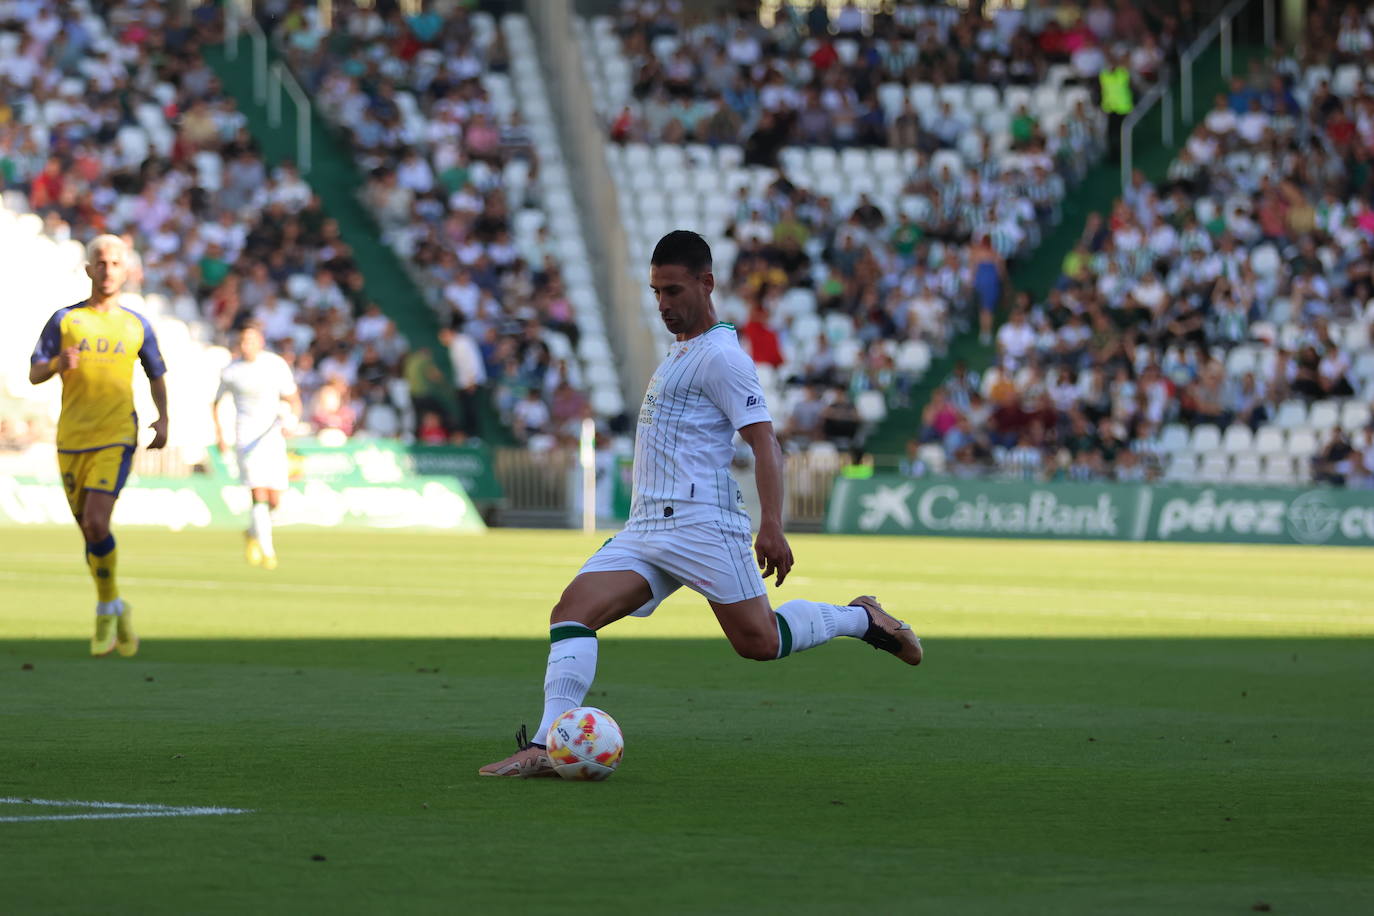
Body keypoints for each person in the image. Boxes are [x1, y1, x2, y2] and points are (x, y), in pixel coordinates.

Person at [479, 231, 922, 778]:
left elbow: (765, 441)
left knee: (759, 642)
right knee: (571, 614)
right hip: (646, 528)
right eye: (656, 292)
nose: (663, 304)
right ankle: (548, 745)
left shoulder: (722, 357)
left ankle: (861, 619)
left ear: (706, 283)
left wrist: (773, 526)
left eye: (673, 290)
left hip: (701, 525)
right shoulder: (683, 351)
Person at [28, 235, 168, 657]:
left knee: (95, 521)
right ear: (88, 269)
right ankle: (116, 604)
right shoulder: (65, 320)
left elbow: (156, 373)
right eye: (100, 263)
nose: (108, 270)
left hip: (116, 435)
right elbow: (34, 372)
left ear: (127, 271)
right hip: (72, 439)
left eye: (115, 263)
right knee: (91, 535)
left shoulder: (136, 324)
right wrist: (56, 364)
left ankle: (106, 608)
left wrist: (164, 419)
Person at [212, 322, 302, 570]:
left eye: (251, 340)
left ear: (261, 342)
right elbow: (216, 403)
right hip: (246, 437)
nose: (246, 345)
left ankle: (252, 532)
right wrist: (220, 434)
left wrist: (292, 421)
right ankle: (268, 551)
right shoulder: (231, 371)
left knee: (275, 501)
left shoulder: (275, 365)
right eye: (242, 341)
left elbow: (293, 399)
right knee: (258, 493)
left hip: (272, 436)